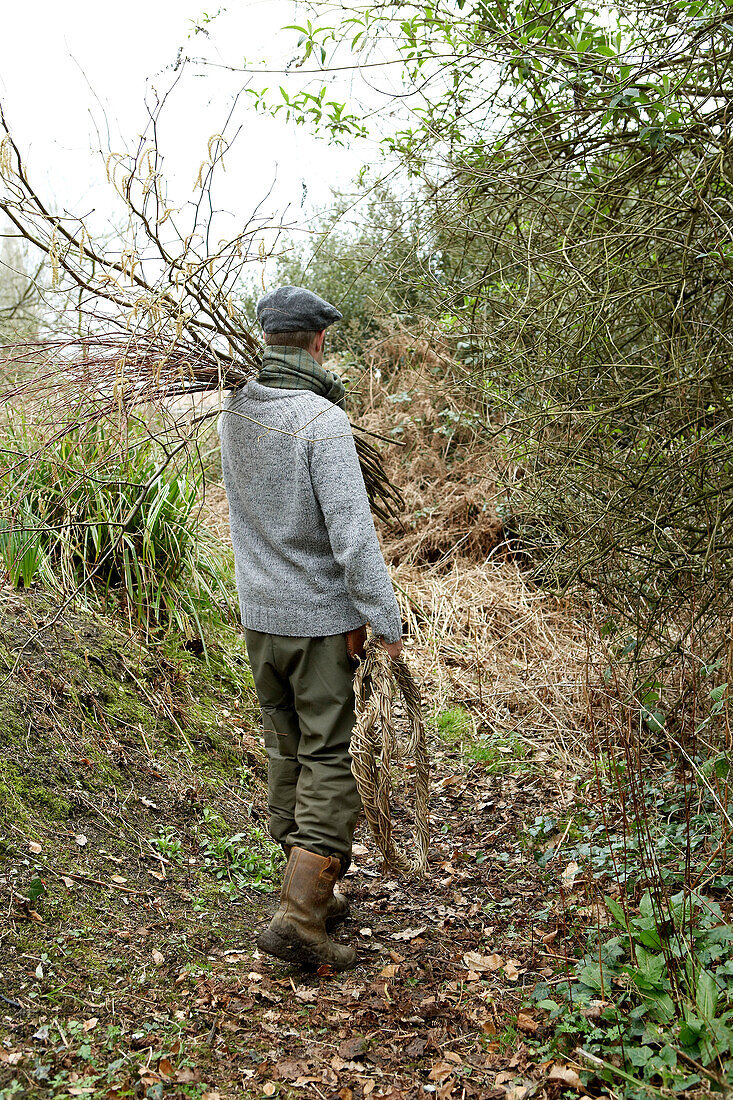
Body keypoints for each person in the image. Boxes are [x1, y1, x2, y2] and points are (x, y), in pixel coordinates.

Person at [218, 285, 403, 970]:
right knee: (328, 759)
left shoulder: (232, 412)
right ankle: (299, 919)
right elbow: (353, 539)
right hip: (321, 625)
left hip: (260, 621)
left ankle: (313, 894)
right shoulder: (321, 422)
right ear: (319, 342)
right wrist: (384, 621)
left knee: (286, 749)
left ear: (267, 338)